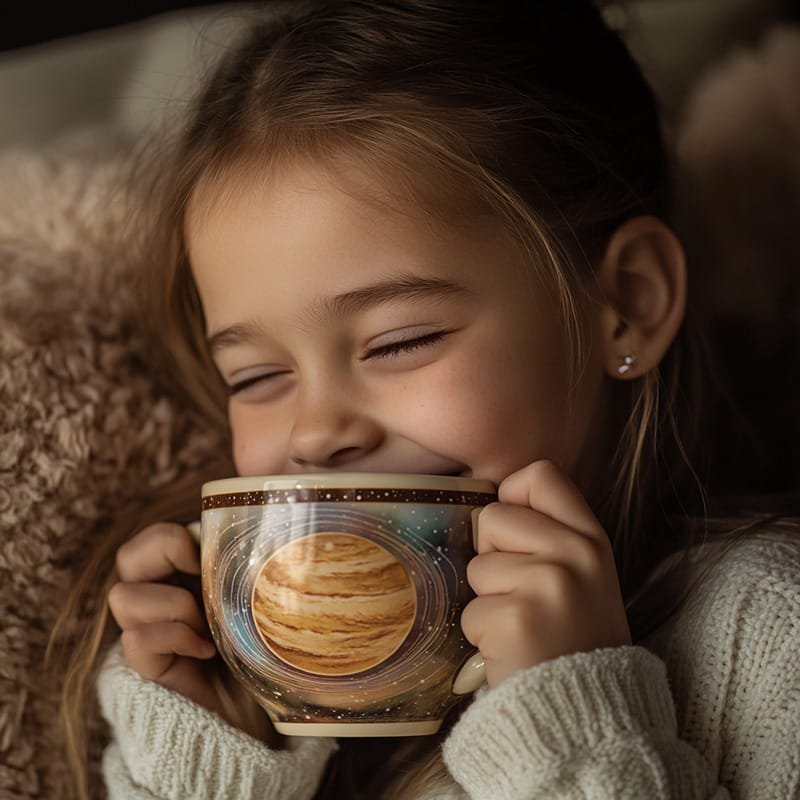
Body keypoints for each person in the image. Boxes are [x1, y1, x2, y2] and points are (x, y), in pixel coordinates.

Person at [49, 1, 800, 798]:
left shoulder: (769, 635)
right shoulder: (221, 702)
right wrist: (206, 752)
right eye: (256, 377)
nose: (315, 433)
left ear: (628, 301)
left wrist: (571, 725)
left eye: (401, 341)